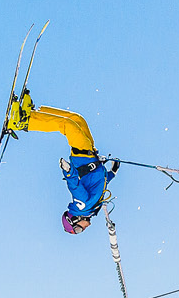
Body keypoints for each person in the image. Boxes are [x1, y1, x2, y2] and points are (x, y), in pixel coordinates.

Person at [6, 89, 118, 234]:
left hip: (83, 155)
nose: (83, 229)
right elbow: (99, 183)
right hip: (90, 153)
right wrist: (113, 172)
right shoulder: (91, 208)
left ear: (74, 220)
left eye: (78, 229)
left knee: (68, 125)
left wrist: (68, 171)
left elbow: (75, 186)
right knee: (77, 120)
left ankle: (23, 123)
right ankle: (33, 114)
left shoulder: (82, 206)